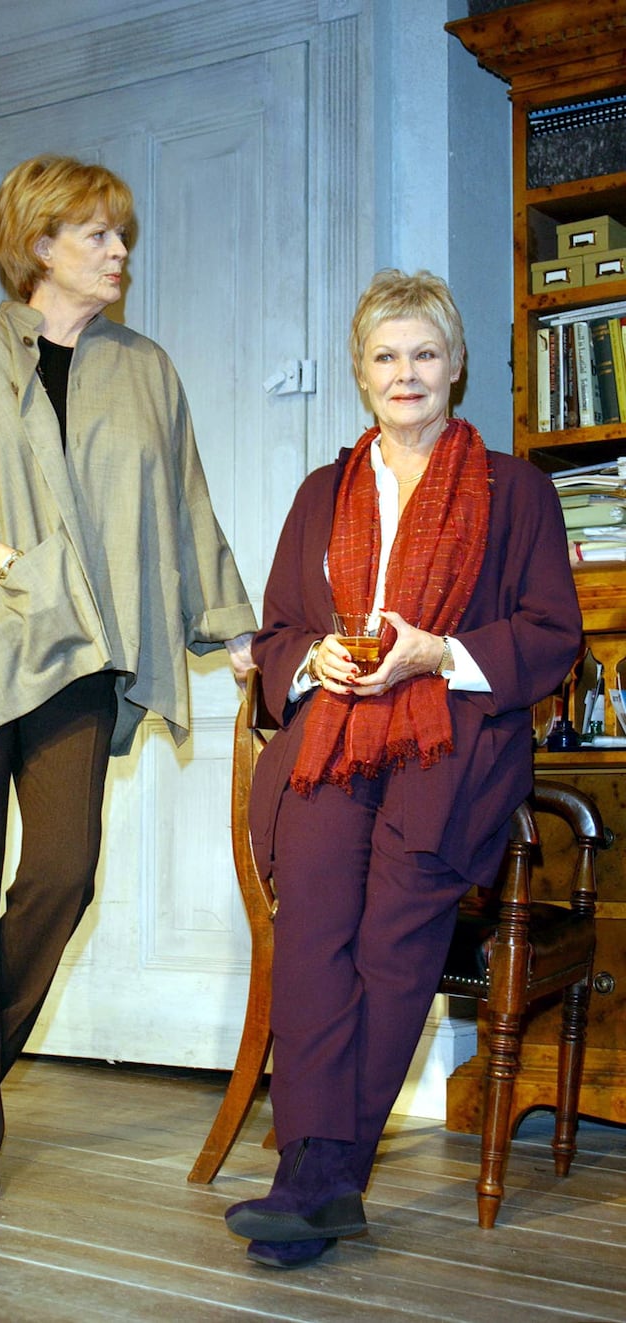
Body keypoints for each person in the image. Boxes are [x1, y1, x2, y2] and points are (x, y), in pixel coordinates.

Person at [0, 154, 255, 1200]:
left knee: (63, 869)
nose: (119, 250)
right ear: (40, 243)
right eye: (97, 233)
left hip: (80, 655)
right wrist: (1, 560)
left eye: (119, 234)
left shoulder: (147, 369)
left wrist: (230, 629)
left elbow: (186, 508)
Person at [224, 269, 581, 1270]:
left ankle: (319, 1183)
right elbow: (283, 626)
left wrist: (437, 655)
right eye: (384, 355)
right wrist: (311, 660)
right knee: (312, 949)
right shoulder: (319, 493)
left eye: (423, 352)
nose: (405, 372)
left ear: (455, 366)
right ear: (359, 374)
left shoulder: (515, 490)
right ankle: (316, 1175)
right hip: (332, 739)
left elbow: (551, 634)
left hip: (451, 744)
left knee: (389, 948)